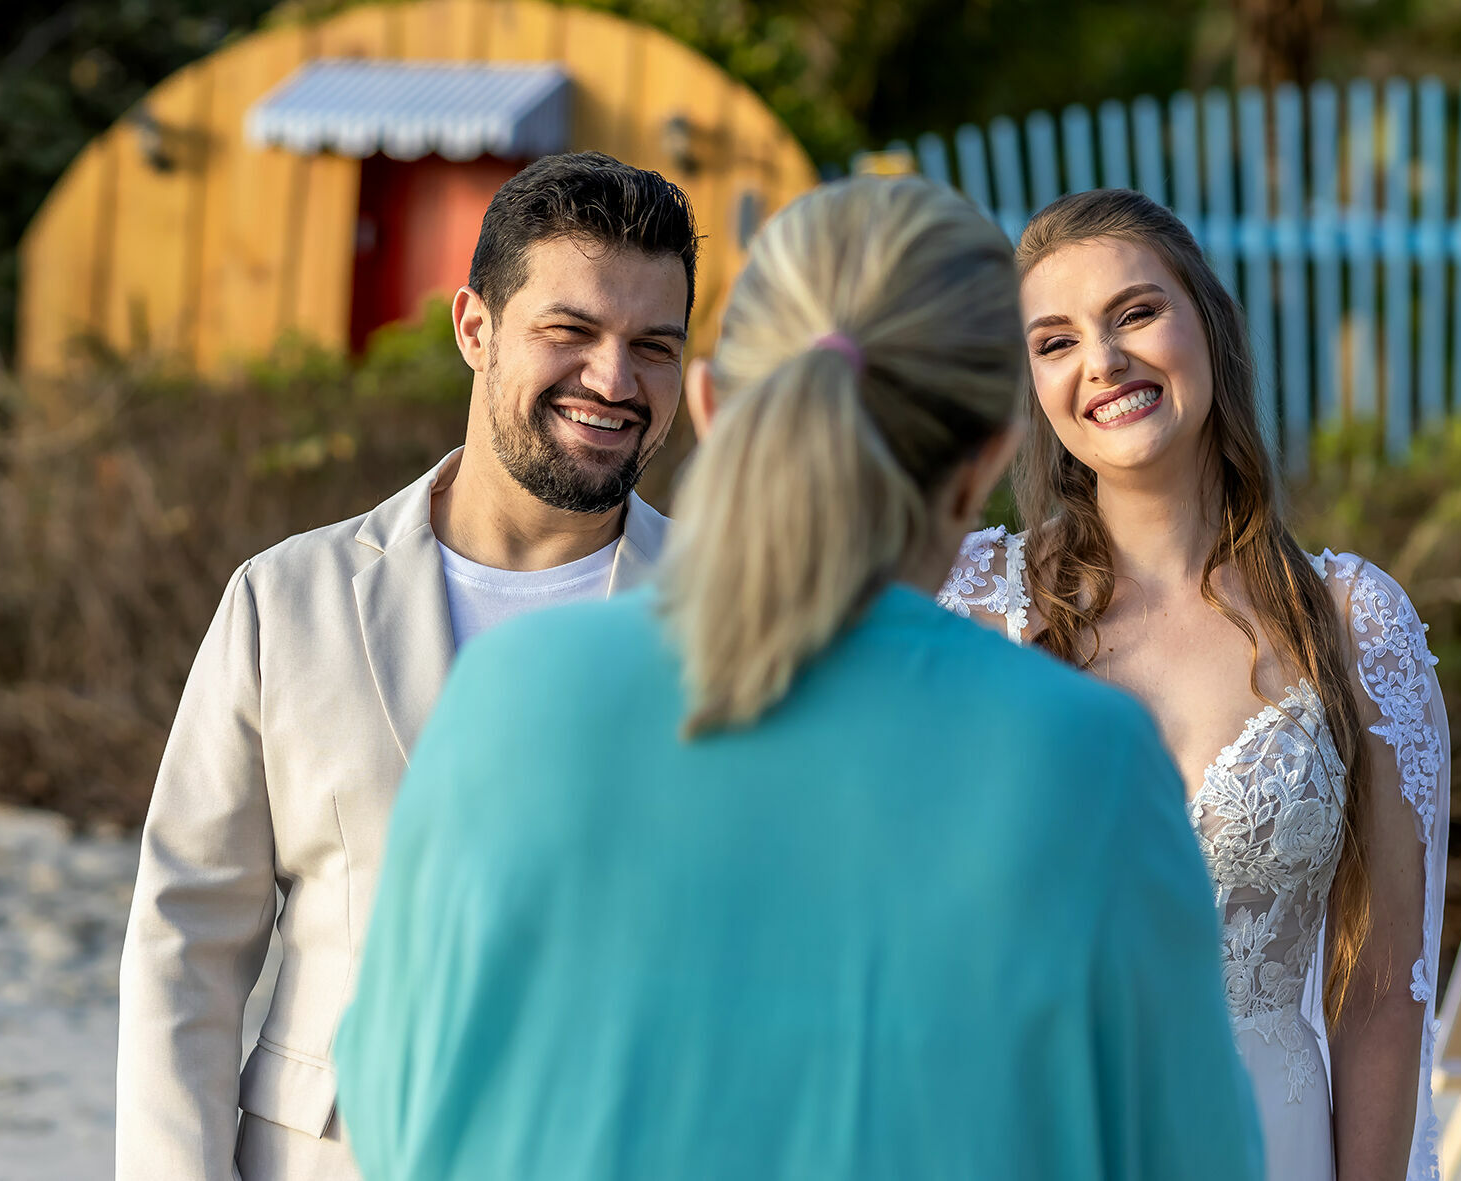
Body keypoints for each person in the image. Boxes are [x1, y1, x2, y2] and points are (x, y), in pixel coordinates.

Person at [333, 176, 1264, 1181]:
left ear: (713, 404)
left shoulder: (506, 693)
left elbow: (392, 1109)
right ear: (989, 450)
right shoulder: (1088, 759)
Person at [116, 151, 699, 1181]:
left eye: (651, 345)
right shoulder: (284, 600)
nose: (614, 381)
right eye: (569, 332)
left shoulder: (729, 614)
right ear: (475, 326)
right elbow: (186, 945)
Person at [939, 187, 1451, 1181]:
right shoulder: (970, 608)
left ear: (1208, 324)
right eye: (1054, 341)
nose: (1103, 360)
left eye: (1134, 312)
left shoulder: (1352, 621)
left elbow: (1385, 986)